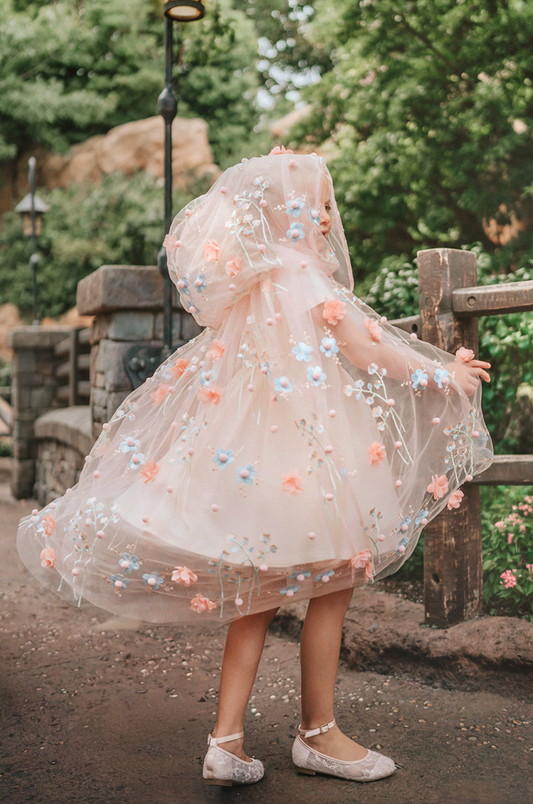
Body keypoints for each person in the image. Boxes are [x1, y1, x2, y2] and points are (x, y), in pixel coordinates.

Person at [17, 148, 493, 786]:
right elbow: (365, 347)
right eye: (314, 206)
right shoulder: (305, 276)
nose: (326, 218)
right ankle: (318, 734)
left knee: (257, 594)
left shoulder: (256, 280)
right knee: (334, 584)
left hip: (256, 461)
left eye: (327, 206)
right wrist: (444, 373)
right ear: (279, 211)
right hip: (310, 455)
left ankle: (227, 740)